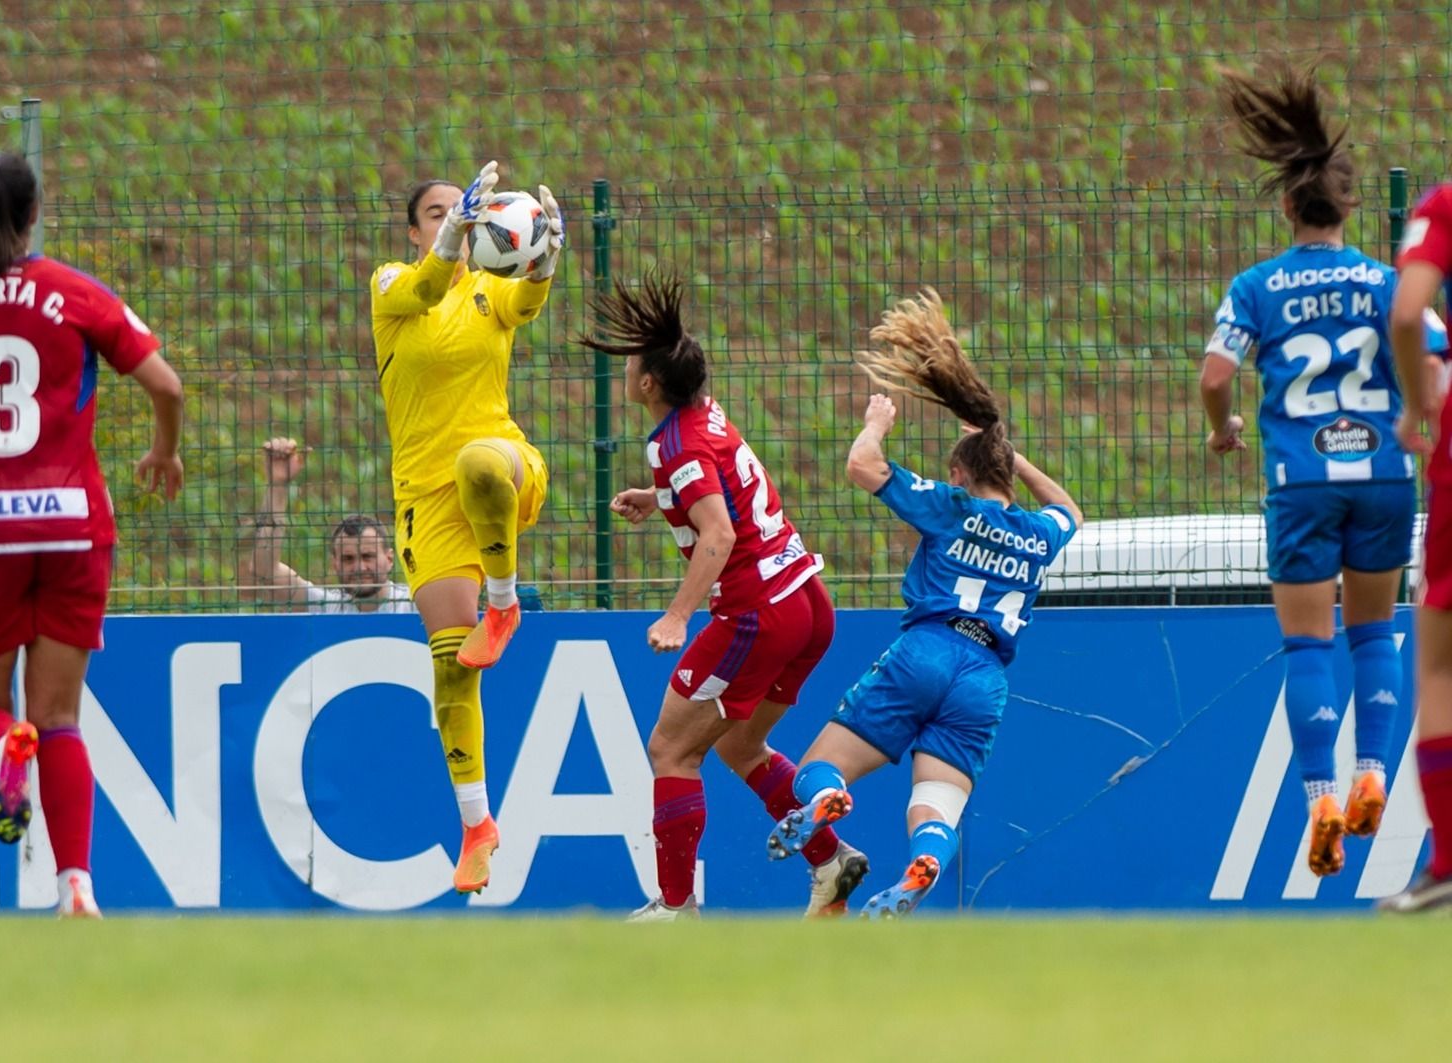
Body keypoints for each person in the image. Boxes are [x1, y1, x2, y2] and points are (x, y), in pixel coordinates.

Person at [767, 291, 1081, 917]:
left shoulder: (950, 506)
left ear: (959, 476)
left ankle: (829, 801)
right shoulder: (1039, 533)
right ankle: (928, 860)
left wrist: (879, 422)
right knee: (935, 802)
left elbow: (862, 465)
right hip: (985, 679)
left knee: (815, 769)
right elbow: (1072, 509)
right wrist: (1009, 454)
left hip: (927, 650)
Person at [1198, 65, 1434, 878]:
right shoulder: (1385, 282)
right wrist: (1418, 414)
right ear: (1351, 208)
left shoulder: (1256, 286)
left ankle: (1321, 798)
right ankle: (1374, 773)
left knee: (1307, 644)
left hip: (1300, 480)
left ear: (1288, 207)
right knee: (1375, 632)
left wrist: (1223, 427)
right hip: (1382, 474)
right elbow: (1433, 344)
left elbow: (1215, 375)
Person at [0, 151, 184, 918]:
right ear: (35, 213)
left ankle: (5, 746)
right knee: (62, 717)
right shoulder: (74, 292)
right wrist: (162, 450)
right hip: (72, 523)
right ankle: (76, 885)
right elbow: (166, 384)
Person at [581, 270, 864, 921]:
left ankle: (675, 910)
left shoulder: (676, 443)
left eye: (632, 365)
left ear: (648, 384)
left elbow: (718, 532)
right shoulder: (702, 419)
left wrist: (679, 615)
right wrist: (659, 501)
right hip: (807, 601)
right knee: (739, 746)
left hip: (754, 614)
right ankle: (829, 858)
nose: (627, 370)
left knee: (671, 750)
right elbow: (722, 487)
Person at [368, 161, 563, 894]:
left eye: (470, 208)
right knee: (451, 666)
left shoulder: (490, 290)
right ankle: (478, 824)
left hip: (502, 468)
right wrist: (453, 237)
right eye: (443, 211)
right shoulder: (392, 287)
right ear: (415, 229)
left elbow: (529, 302)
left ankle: (505, 599)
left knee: (479, 461)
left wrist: (546, 255)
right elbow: (423, 286)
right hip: (426, 500)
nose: (464, 215)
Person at [1376, 180, 1452, 911]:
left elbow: (1408, 312)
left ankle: (1450, 859)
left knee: (1440, 665)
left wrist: (1415, 400)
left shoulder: (1445, 203)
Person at [241, 436, 413, 614]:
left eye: (368, 556)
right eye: (348, 559)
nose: (360, 567)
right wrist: (278, 485)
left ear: (390, 559)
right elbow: (265, 571)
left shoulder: (415, 606)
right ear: (334, 564)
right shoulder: (324, 607)